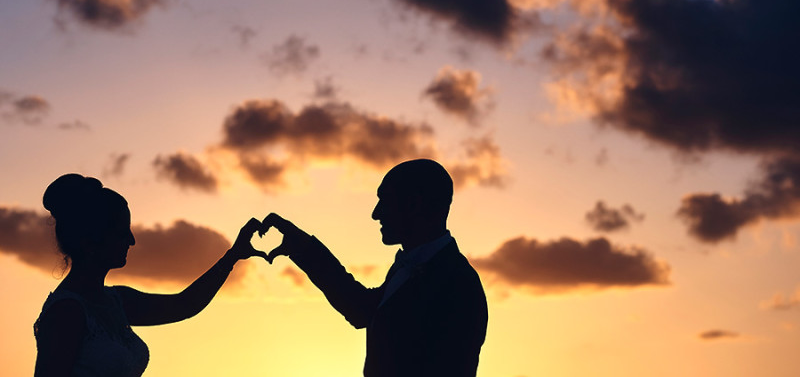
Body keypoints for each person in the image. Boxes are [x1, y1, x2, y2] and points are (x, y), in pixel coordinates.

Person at [262, 158, 488, 377]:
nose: (375, 213)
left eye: (384, 201)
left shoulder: (459, 283)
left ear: (413, 204)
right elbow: (362, 309)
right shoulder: (407, 269)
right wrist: (303, 247)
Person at [33, 173, 267, 377]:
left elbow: (183, 305)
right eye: (122, 232)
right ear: (92, 240)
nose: (132, 240)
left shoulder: (116, 302)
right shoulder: (66, 311)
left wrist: (233, 255)